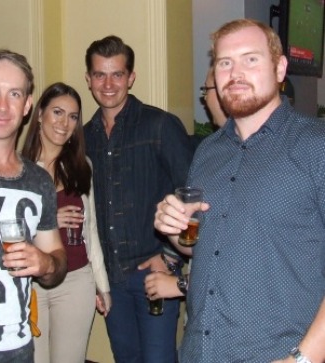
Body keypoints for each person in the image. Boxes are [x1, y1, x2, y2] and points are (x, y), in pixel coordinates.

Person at [154, 18, 325, 363]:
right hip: (199, 352)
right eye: (224, 62)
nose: (235, 73)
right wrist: (175, 229)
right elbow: (205, 249)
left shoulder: (316, 146)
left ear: (279, 69)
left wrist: (304, 359)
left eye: (250, 59)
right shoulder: (207, 152)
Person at [83, 35, 195, 363]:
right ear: (88, 78)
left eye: (117, 74)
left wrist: (171, 258)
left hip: (153, 275)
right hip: (110, 279)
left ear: (131, 77)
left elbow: (193, 197)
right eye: (99, 74)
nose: (108, 84)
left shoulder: (160, 126)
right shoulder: (83, 136)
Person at [0, 49, 67, 363]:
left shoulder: (38, 181)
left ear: (27, 106)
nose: (3, 106)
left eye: (14, 94)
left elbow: (56, 259)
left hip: (17, 350)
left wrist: (45, 263)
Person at [22, 82, 111, 363]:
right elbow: (4, 233)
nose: (64, 123)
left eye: (73, 116)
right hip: (31, 283)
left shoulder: (81, 165)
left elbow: (91, 228)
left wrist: (102, 285)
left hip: (76, 281)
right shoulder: (18, 167)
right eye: (57, 112)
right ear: (39, 114)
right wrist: (49, 220)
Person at [145, 67, 227, 302]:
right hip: (204, 317)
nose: (205, 99)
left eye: (207, 90)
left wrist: (179, 284)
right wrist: (171, 228)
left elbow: (246, 261)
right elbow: (199, 245)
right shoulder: (209, 151)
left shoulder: (274, 152)